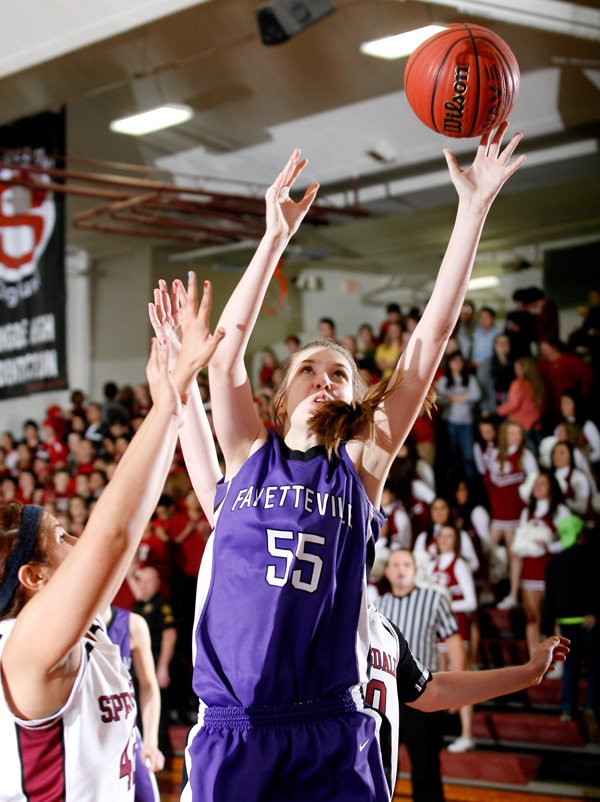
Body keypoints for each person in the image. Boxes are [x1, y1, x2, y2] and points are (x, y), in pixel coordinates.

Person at [173, 131, 571, 802]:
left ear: (359, 398)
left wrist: (472, 212)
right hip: (235, 728)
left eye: (341, 372)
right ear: (281, 393)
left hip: (332, 728)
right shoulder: (246, 457)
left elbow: (431, 338)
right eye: (310, 368)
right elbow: (222, 355)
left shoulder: (360, 469)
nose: (325, 378)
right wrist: (272, 238)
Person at [0, 298, 224, 801]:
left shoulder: (87, 624)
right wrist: (167, 403)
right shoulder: (21, 647)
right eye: (59, 537)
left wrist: (178, 396)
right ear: (32, 577)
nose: (76, 540)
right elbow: (114, 534)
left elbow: (129, 523)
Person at [377, 548, 568, 802]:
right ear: (387, 571)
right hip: (388, 699)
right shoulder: (379, 605)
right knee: (383, 770)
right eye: (396, 564)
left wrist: (529, 672)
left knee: (425, 767)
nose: (401, 569)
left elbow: (454, 642)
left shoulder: (432, 599)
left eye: (406, 564)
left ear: (415, 569)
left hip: (424, 688)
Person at [104, 605, 164, 802]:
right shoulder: (68, 624)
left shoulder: (132, 624)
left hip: (126, 734)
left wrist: (150, 742)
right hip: (86, 735)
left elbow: (149, 685)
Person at [427, 525, 478, 753]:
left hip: (458, 629)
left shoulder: (459, 565)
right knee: (440, 679)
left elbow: (471, 602)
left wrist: (445, 605)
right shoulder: (431, 566)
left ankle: (468, 734)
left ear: (456, 541)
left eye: (450, 537)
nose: (445, 540)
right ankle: (441, 731)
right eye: (442, 536)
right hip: (438, 630)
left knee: (463, 680)